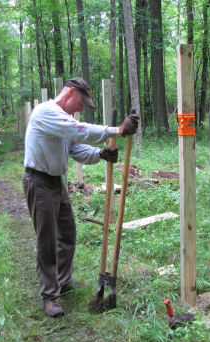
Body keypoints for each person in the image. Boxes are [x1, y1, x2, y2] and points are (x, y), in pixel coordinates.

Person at [23, 77, 139, 317]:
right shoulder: (46, 112)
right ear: (70, 92)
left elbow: (75, 149)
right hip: (39, 181)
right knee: (47, 240)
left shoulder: (63, 121)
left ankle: (63, 282)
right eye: (81, 102)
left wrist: (101, 153)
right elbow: (79, 131)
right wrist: (117, 130)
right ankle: (50, 296)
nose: (81, 108)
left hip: (56, 182)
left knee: (67, 234)